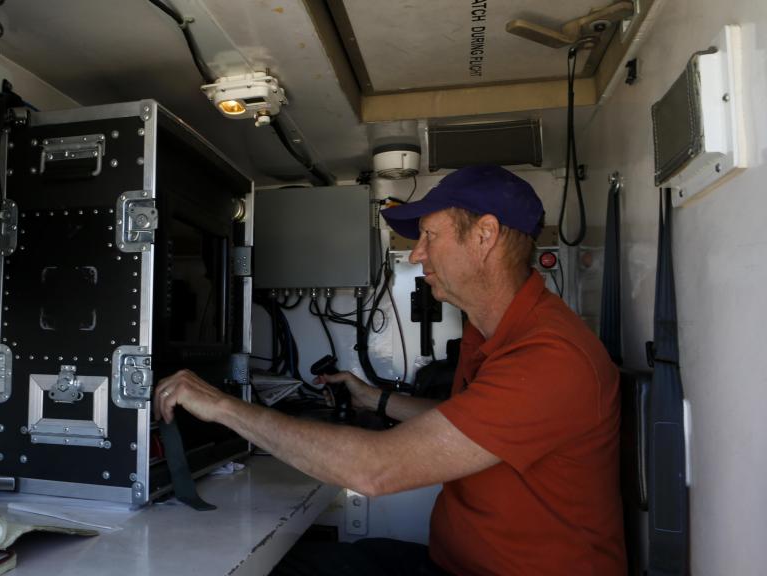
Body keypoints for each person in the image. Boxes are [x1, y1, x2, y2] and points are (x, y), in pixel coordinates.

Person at [154, 165, 625, 575]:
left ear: (484, 235)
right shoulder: (494, 330)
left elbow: (375, 471)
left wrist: (222, 406)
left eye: (429, 236)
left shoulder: (550, 358)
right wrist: (373, 398)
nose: (417, 255)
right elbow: (462, 426)